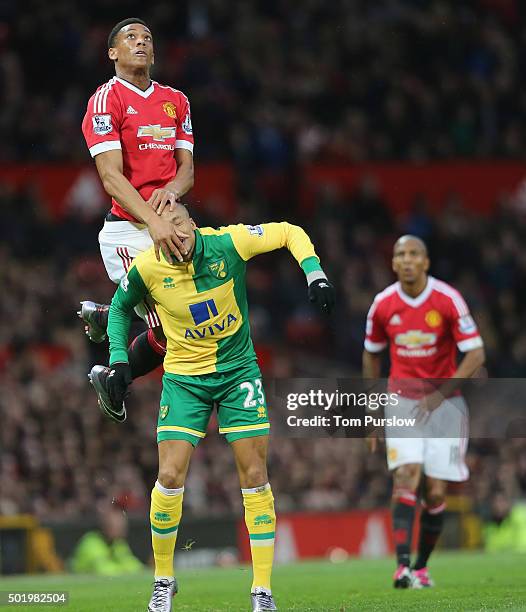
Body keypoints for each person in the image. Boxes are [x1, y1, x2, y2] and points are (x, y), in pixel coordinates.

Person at [94, 204, 334, 611]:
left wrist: (315, 273)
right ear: (154, 237)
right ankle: (163, 581)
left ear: (193, 225)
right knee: (169, 475)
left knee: (255, 474)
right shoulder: (149, 268)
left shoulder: (229, 242)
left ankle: (261, 591)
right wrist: (119, 359)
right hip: (185, 379)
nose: (178, 239)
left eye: (182, 229)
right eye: (167, 235)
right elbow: (118, 309)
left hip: (238, 374)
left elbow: (290, 229)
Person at [79, 18, 194, 419]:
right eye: (131, 38)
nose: (141, 42)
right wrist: (153, 221)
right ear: (112, 52)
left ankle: (106, 313)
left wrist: (173, 194)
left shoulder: (175, 100)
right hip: (128, 231)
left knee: (193, 319)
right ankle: (113, 379)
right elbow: (111, 177)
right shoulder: (104, 101)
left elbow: (187, 170)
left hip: (171, 223)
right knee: (175, 331)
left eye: (147, 38)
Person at [363, 235, 485, 589]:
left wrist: (439, 395)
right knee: (406, 475)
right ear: (394, 263)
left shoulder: (448, 299)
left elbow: (476, 354)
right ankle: (401, 567)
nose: (407, 259)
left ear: (426, 262)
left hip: (446, 405)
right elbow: (371, 353)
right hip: (401, 400)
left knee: (434, 492)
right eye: (400, 253)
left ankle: (421, 567)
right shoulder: (383, 304)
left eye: (414, 253)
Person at [71, 501, 143, 576]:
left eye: (121, 525)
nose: (121, 528)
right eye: (116, 525)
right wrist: (124, 570)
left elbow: (133, 565)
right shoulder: (91, 543)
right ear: (106, 525)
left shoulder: (118, 544)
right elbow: (102, 569)